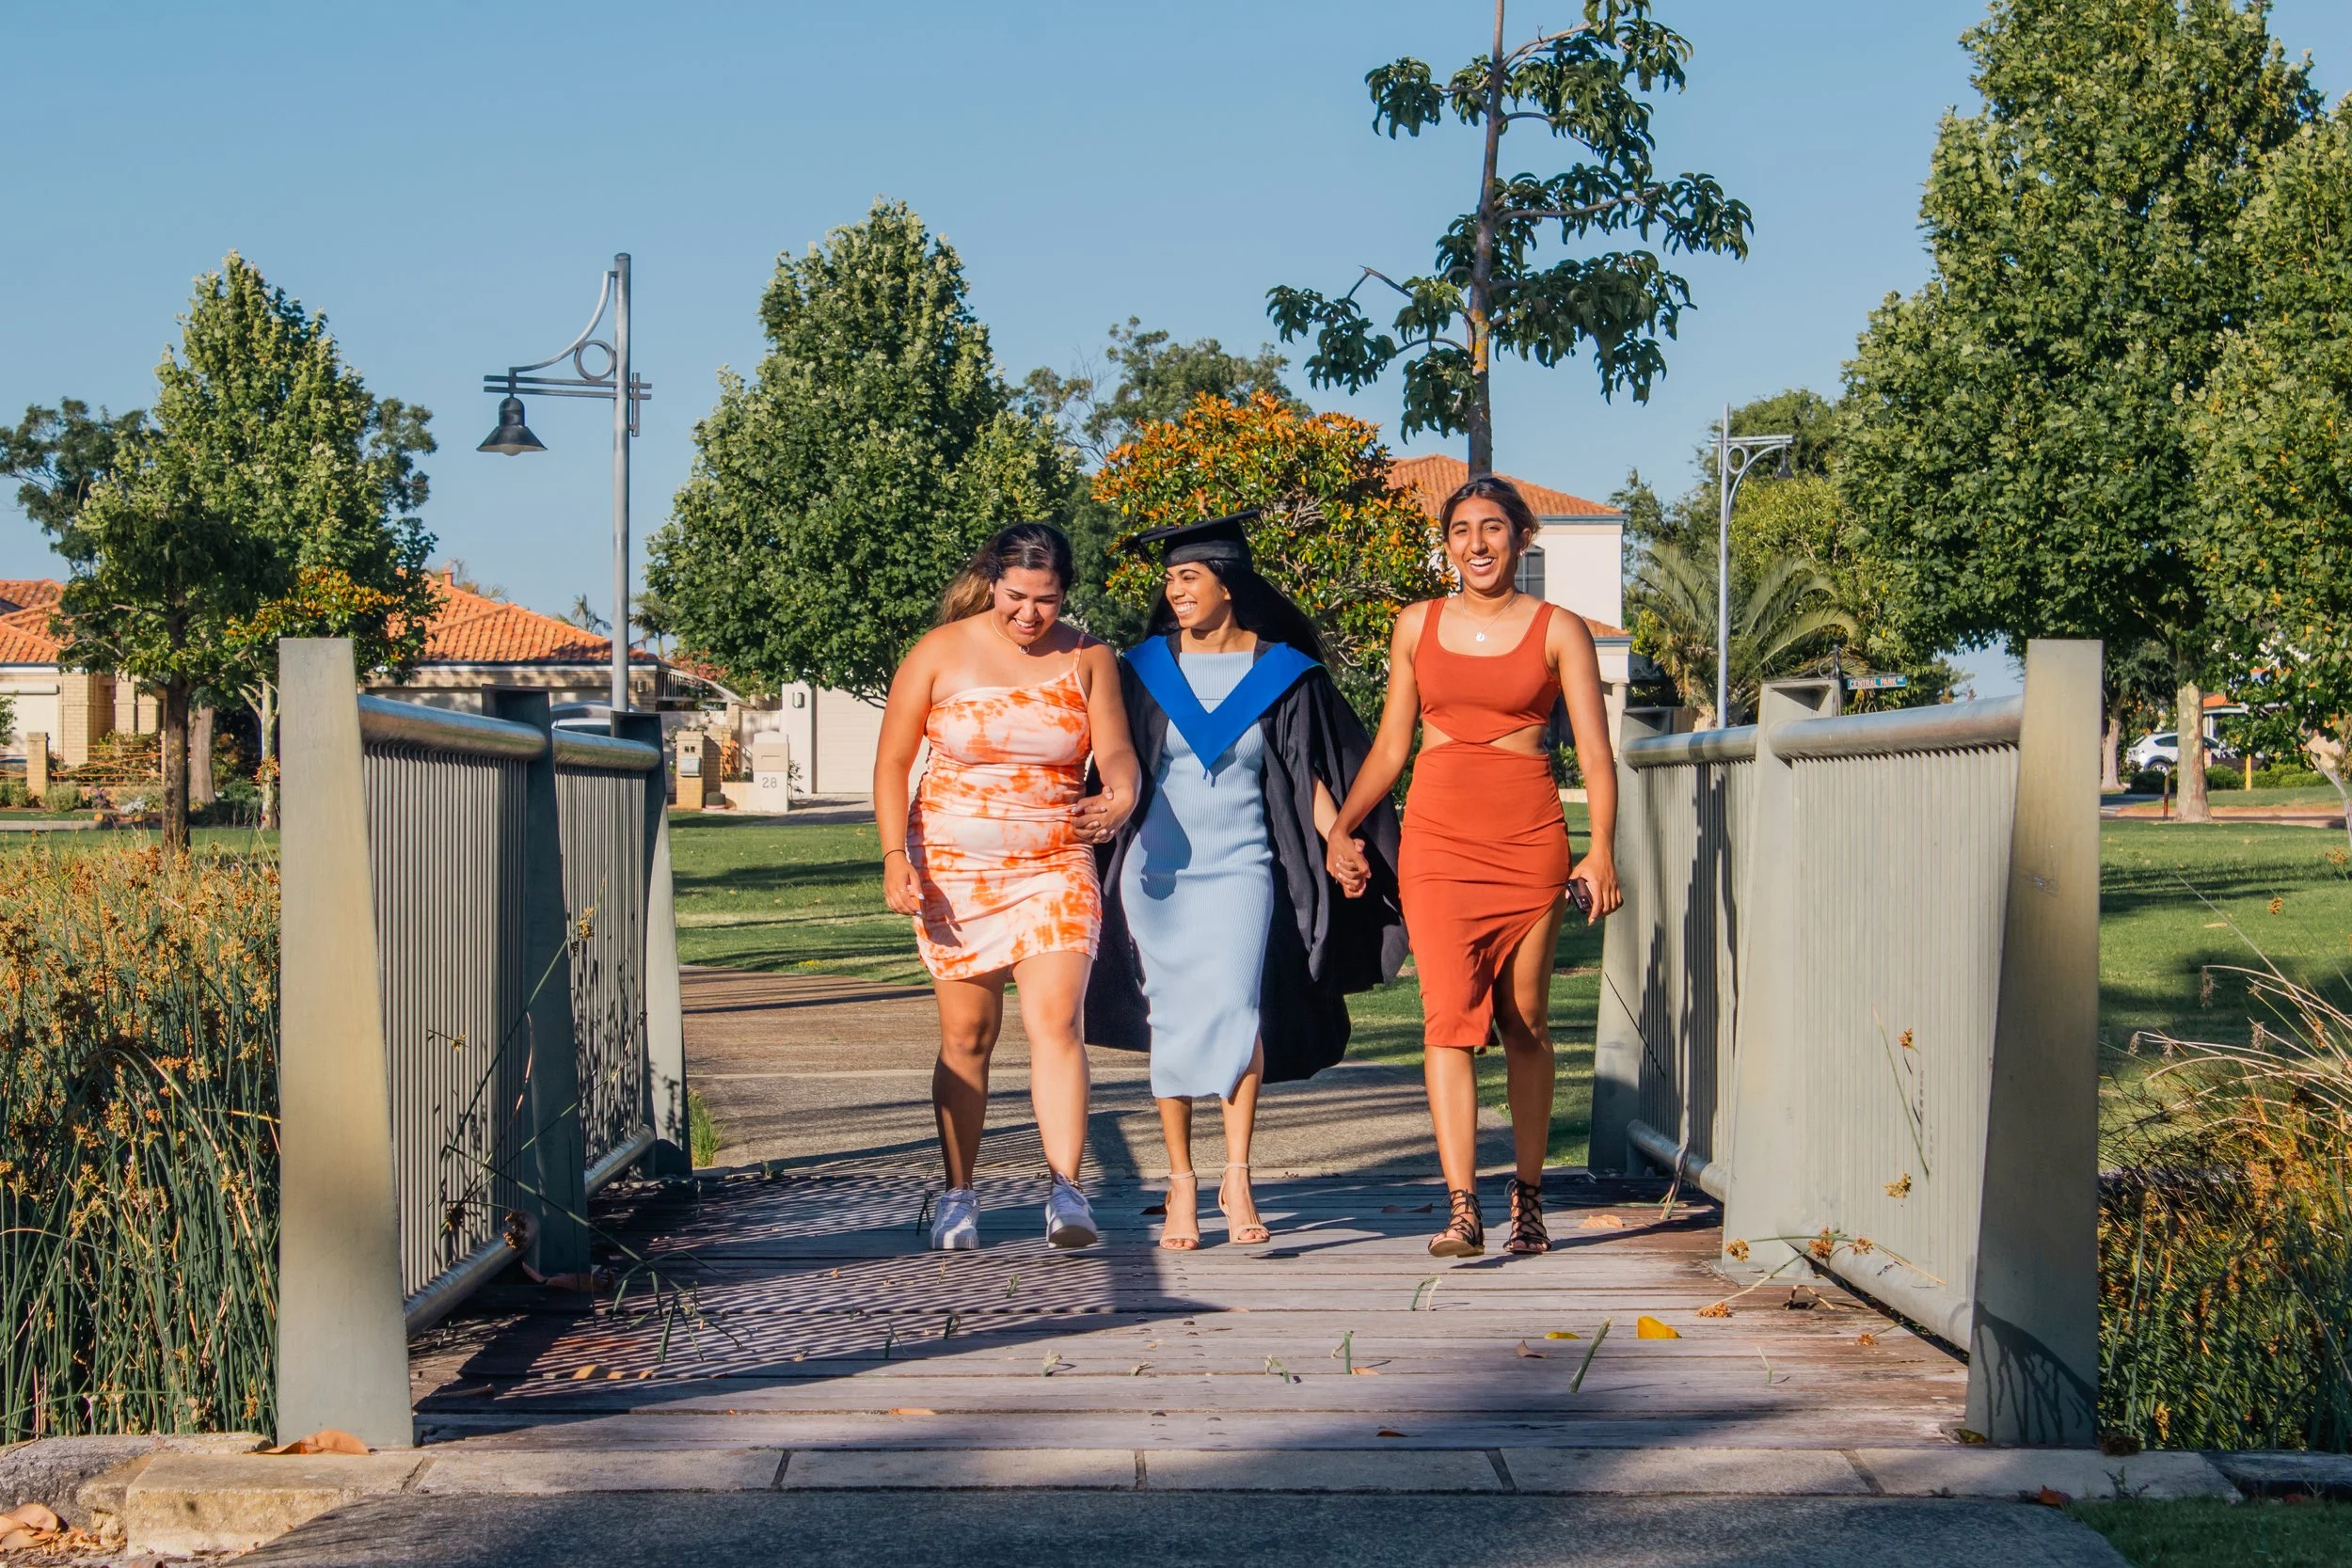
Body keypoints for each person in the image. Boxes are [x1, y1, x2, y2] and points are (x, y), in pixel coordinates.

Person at [1086, 513, 1406, 1249]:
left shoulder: (1282, 673)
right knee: (1170, 1015)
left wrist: (1339, 839)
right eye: (1170, 578)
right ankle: (1180, 1183)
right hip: (1158, 870)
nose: (1175, 591)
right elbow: (1119, 764)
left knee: (1236, 1008)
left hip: (1242, 866)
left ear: (1227, 584)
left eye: (1189, 576)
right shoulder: (1141, 671)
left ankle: (1237, 1173)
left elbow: (1304, 774)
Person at [1326, 475, 1623, 1259]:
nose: (1478, 544)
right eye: (1462, 530)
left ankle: (1526, 1199)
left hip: (1528, 836)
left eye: (1493, 528)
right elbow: (1394, 746)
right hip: (1438, 837)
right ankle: (1463, 1207)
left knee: (1525, 1021)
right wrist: (1345, 827)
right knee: (1446, 1017)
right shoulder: (1414, 626)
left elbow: (1595, 752)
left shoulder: (1560, 629)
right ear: (1447, 543)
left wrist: (1602, 849)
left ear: (1522, 539)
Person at [875, 522, 1140, 1250]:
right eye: (1017, 597)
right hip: (953, 872)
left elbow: (1116, 750)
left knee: (1056, 1023)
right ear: (993, 579)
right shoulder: (938, 651)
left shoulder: (1089, 658)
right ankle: (959, 1193)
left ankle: (1066, 1190)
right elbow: (894, 761)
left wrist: (1118, 795)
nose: (1030, 614)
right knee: (968, 1034)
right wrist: (895, 854)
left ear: (1065, 595)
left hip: (1056, 861)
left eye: (1047, 601)